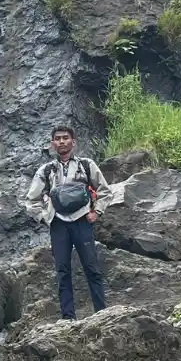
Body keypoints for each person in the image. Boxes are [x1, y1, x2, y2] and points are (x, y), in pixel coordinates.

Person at [23, 125, 113, 321]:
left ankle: (102, 314)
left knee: (91, 267)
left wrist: (96, 212)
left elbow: (105, 190)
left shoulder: (87, 165)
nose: (62, 141)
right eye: (58, 138)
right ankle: (67, 318)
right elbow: (31, 200)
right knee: (62, 270)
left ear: (74, 142)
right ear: (52, 143)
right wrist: (46, 218)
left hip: (82, 221)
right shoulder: (46, 170)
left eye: (65, 138)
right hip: (59, 225)